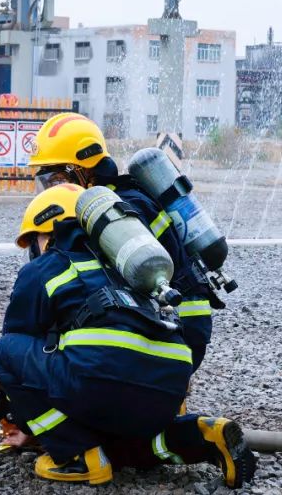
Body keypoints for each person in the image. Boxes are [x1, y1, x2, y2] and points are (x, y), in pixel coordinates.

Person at [0, 185, 254, 487]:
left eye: (34, 240)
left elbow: (18, 346)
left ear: (48, 233)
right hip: (168, 387)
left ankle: (77, 456)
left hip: (102, 382)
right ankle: (202, 436)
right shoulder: (130, 268)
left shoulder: (47, 266)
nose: (34, 250)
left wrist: (31, 419)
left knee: (4, 351)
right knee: (123, 448)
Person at [28, 113, 215, 370]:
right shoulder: (123, 200)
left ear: (84, 171)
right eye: (44, 182)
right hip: (184, 323)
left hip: (178, 326)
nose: (50, 192)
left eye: (57, 181)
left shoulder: (114, 214)